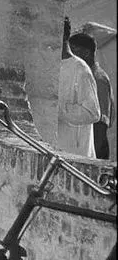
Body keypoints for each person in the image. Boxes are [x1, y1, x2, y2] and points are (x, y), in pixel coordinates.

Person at [57, 18, 101, 158]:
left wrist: (58, 109)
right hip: (55, 152)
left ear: (62, 35)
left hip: (75, 156)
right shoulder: (48, 66)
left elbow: (92, 112)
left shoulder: (80, 70)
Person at [69, 32, 114, 160]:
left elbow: (100, 125)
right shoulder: (84, 74)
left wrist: (95, 161)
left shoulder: (97, 79)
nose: (70, 56)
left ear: (86, 53)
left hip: (93, 152)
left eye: (73, 51)